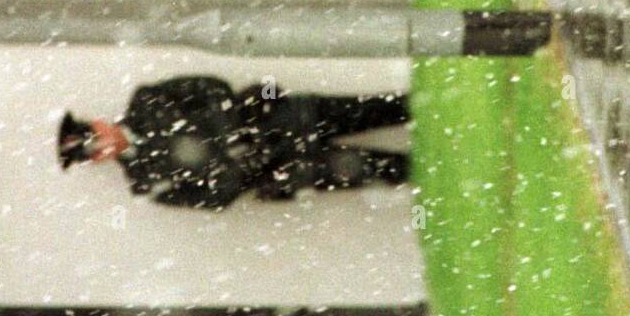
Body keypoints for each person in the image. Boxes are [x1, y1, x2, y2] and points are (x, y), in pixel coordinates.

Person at [57, 77, 409, 209]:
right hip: (282, 169)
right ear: (98, 160)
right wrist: (240, 168)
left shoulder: (147, 103)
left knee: (380, 109)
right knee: (389, 170)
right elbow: (214, 199)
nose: (101, 147)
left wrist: (230, 130)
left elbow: (210, 87)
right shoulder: (147, 182)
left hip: (276, 117)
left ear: (100, 123)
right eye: (93, 152)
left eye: (94, 137)